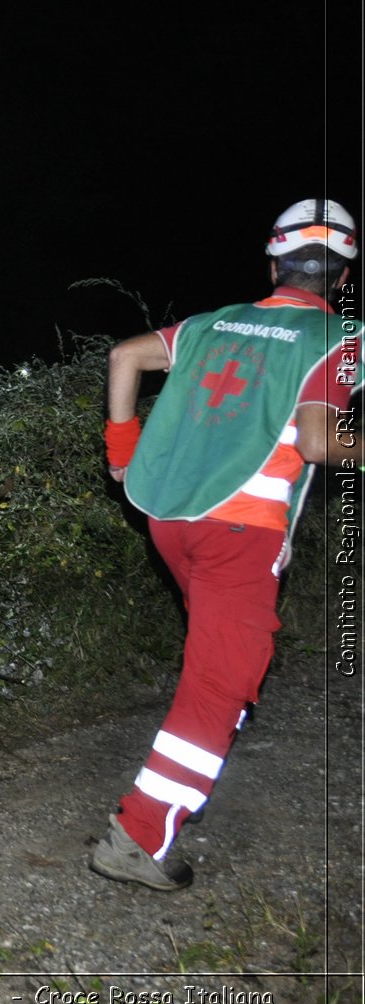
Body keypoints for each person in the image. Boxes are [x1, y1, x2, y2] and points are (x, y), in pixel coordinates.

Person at [92, 198, 359, 890]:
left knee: (215, 658)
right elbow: (318, 440)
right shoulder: (342, 339)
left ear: (274, 262)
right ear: (341, 278)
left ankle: (175, 775)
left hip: (168, 519)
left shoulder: (213, 323)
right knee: (223, 679)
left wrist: (122, 449)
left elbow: (125, 356)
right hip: (238, 530)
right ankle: (139, 838)